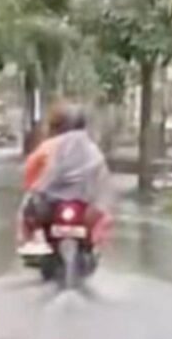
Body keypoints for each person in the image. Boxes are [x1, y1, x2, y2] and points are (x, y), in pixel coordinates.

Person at [17, 103, 112, 255]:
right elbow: (103, 182)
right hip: (85, 206)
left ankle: (31, 242)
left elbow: (34, 171)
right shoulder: (93, 149)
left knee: (28, 209)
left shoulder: (51, 146)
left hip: (54, 203)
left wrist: (34, 189)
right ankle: (94, 246)